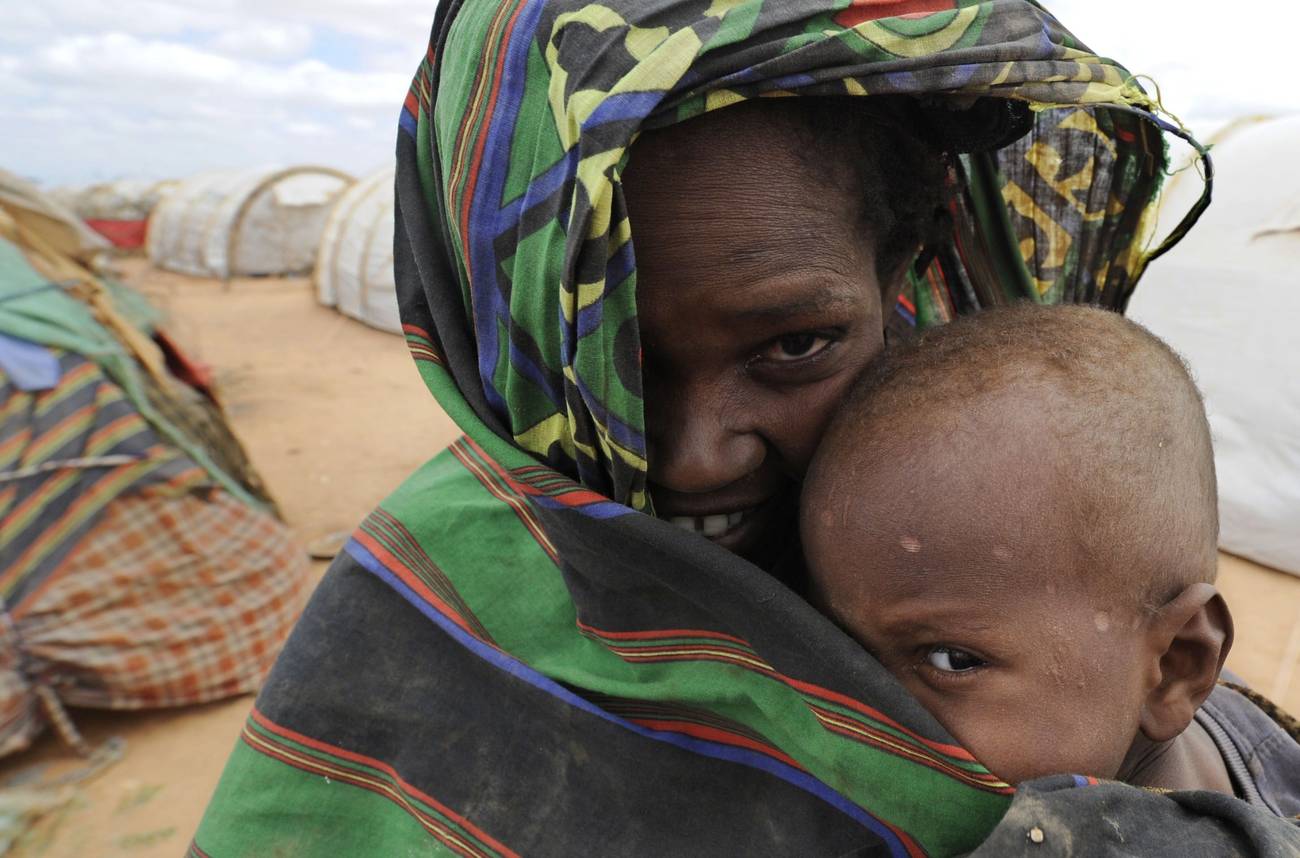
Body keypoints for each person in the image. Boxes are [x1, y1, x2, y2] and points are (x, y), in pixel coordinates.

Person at [193, 0, 1300, 854]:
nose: (692, 457)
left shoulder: (1018, 521)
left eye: (794, 345)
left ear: (903, 272)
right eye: (608, 362)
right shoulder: (423, 626)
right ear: (506, 332)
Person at [801, 303, 1300, 815]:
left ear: (1177, 668)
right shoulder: (1147, 682)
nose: (854, 715)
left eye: (952, 660)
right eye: (836, 647)